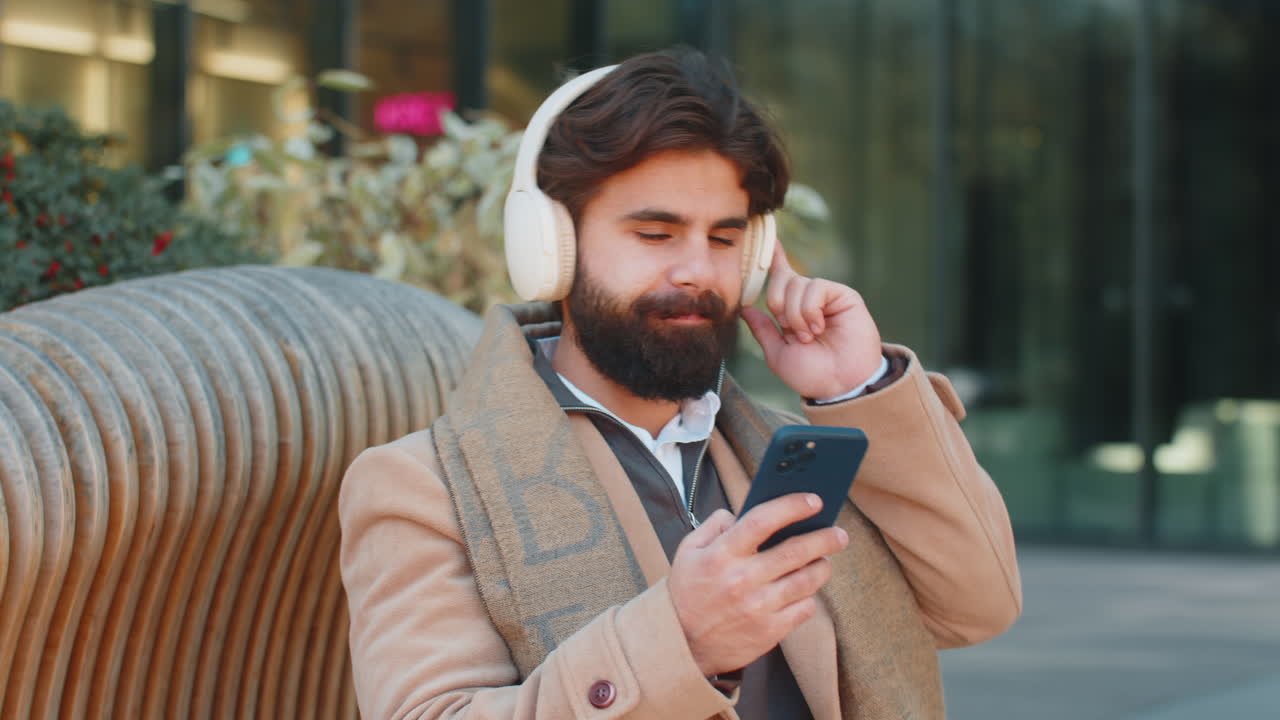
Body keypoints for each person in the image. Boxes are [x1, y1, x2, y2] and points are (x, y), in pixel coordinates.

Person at [339, 48, 1021, 720]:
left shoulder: (791, 451)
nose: (697, 270)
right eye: (656, 234)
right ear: (552, 248)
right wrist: (681, 647)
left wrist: (858, 390)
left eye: (724, 240)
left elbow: (978, 605)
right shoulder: (422, 489)